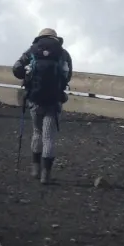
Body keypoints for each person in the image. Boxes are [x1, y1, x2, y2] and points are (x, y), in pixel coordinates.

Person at [12, 28, 73, 184]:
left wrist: (27, 76)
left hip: (35, 99)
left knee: (37, 132)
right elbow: (68, 76)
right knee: (49, 137)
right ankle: (46, 174)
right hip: (54, 102)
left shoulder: (32, 50)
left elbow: (16, 69)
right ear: (55, 38)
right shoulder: (63, 53)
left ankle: (35, 168)